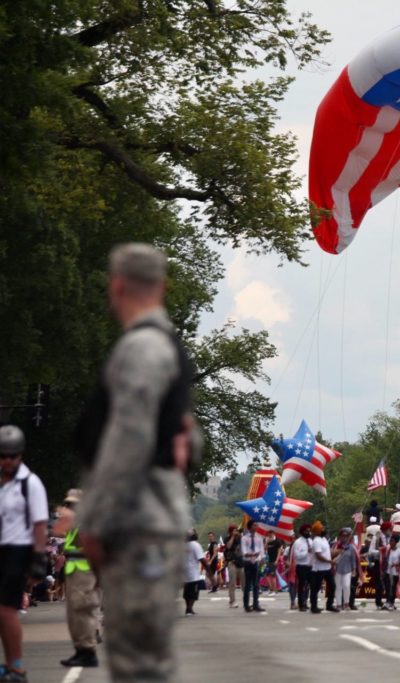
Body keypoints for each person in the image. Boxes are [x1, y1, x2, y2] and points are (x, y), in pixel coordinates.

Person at [77, 243, 201, 683]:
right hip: (154, 515)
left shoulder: (140, 348)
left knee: (137, 665)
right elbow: (186, 435)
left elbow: (128, 437)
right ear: (163, 287)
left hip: (135, 521)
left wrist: (94, 519)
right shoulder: (167, 346)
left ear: (116, 286)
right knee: (147, 660)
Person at [0, 425, 49, 682]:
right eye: (3, 456)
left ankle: (16, 665)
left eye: (13, 456)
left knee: (7, 611)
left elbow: (40, 524)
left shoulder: (30, 484)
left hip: (18, 550)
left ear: (20, 456)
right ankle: (7, 664)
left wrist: (39, 558)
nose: (7, 461)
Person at [53, 488, 101, 669]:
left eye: (73, 504)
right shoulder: (74, 522)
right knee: (74, 613)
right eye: (68, 504)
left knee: (83, 610)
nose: (69, 507)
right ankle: (80, 649)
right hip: (74, 568)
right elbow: (58, 531)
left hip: (85, 568)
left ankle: (88, 650)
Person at [332, 528, 361, 612]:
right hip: (337, 569)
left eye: (346, 536)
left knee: (347, 586)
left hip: (347, 570)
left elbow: (353, 559)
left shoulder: (351, 547)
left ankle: (346, 603)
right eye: (342, 536)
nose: (344, 537)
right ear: (340, 536)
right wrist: (339, 551)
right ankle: (338, 604)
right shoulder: (336, 546)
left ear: (349, 537)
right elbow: (331, 555)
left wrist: (354, 569)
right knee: (338, 587)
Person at [239, 520, 265, 613]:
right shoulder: (244, 538)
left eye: (256, 525)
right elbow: (244, 552)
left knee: (256, 585)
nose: (256, 527)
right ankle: (246, 605)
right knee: (248, 585)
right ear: (250, 527)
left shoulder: (259, 538)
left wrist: (261, 557)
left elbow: (262, 551)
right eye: (254, 525)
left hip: (256, 563)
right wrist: (253, 554)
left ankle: (256, 604)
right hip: (248, 563)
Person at [308, 521, 332, 614]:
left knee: (332, 586)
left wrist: (339, 551)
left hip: (327, 568)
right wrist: (330, 561)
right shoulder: (316, 541)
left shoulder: (324, 539)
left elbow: (328, 552)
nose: (323, 529)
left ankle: (329, 605)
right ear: (317, 531)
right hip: (318, 569)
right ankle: (314, 607)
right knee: (316, 588)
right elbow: (318, 555)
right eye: (321, 528)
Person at [290, 524, 313, 611]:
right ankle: (301, 605)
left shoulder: (310, 541)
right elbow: (297, 556)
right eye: (306, 531)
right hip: (301, 566)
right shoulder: (298, 542)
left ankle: (309, 602)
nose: (308, 532)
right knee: (301, 586)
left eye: (309, 531)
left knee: (312, 585)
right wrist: (307, 552)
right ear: (302, 532)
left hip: (310, 566)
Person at [183, 529, 205, 616]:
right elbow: (202, 559)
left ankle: (188, 609)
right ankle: (189, 609)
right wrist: (209, 571)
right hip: (193, 573)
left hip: (185, 573)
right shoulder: (196, 545)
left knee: (187, 592)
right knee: (193, 593)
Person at [223, 524, 242, 608]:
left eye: (236, 530)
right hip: (232, 562)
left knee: (245, 583)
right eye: (234, 530)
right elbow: (228, 546)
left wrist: (239, 536)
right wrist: (233, 537)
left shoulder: (240, 538)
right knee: (232, 583)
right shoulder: (227, 539)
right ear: (230, 531)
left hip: (241, 562)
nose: (236, 532)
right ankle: (232, 601)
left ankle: (246, 600)